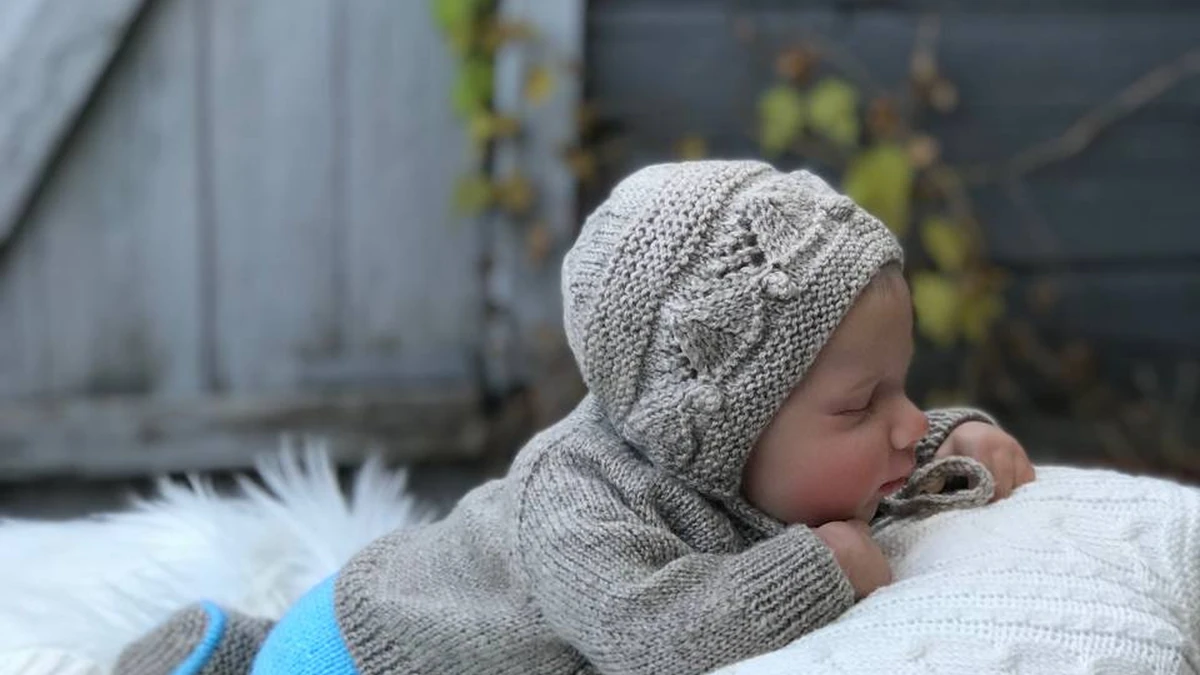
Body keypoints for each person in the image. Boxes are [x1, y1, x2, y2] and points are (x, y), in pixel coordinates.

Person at [116, 160, 1035, 675]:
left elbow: (838, 465)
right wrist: (815, 571)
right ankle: (220, 652)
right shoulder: (575, 504)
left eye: (903, 388)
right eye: (865, 402)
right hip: (363, 650)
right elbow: (653, 635)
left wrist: (950, 445)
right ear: (720, 427)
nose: (904, 420)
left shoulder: (749, 451)